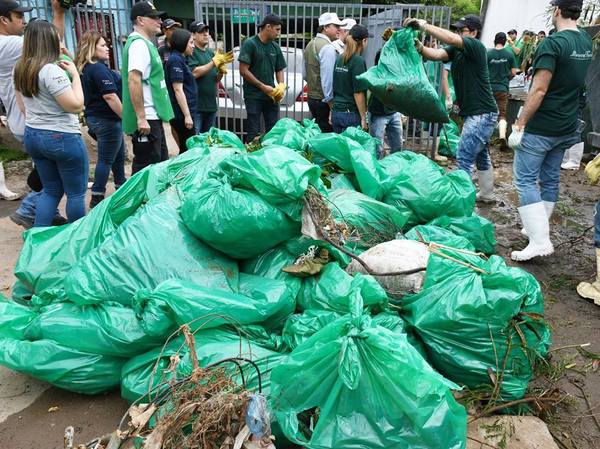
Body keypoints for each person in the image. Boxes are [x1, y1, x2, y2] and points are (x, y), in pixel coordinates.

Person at [508, 0, 592, 261]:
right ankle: (537, 228)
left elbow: (540, 89)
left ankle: (539, 240)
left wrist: (520, 123)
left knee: (524, 180)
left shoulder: (553, 44)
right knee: (550, 178)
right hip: (566, 125)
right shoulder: (585, 43)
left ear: (556, 10)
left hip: (542, 127)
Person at [404, 14, 498, 202]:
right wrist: (421, 48)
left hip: (482, 113)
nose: (458, 33)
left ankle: (461, 200)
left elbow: (451, 39)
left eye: (462, 30)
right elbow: (438, 55)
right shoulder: (457, 51)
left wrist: (425, 25)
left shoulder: (476, 47)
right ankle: (487, 194)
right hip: (479, 113)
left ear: (473, 32)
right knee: (480, 155)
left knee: (464, 154)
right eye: (457, 30)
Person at [1, 0, 68, 227]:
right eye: (18, 16)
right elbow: (52, 42)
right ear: (3, 20)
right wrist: (58, 12)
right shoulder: (8, 44)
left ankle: (45, 211)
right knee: (56, 173)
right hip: (31, 121)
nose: (23, 20)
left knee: (48, 171)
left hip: (24, 120)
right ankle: (29, 209)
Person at [13, 20, 87, 226]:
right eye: (58, 37)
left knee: (51, 190)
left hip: (33, 134)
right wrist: (75, 76)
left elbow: (22, 108)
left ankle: (40, 241)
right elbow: (74, 105)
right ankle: (79, 241)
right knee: (75, 193)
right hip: (62, 136)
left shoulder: (19, 69)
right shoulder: (50, 71)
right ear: (50, 40)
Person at [121, 1, 174, 175]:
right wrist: (141, 118)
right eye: (154, 17)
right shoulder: (138, 45)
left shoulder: (145, 43)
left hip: (152, 117)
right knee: (147, 170)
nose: (159, 21)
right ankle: (141, 202)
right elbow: (134, 79)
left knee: (158, 166)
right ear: (140, 20)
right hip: (147, 119)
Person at [75, 31, 126, 209]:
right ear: (91, 48)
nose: (108, 48)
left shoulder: (87, 68)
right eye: (103, 45)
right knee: (106, 159)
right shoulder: (97, 68)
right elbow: (110, 96)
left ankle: (122, 189)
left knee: (118, 157)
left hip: (97, 119)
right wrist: (126, 119)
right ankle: (97, 196)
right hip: (106, 120)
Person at [238, 13, 286, 142]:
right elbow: (243, 70)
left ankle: (269, 156)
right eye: (277, 29)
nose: (278, 33)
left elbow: (279, 68)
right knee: (253, 130)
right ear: (268, 27)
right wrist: (262, 87)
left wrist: (281, 85)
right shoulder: (250, 44)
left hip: (271, 96)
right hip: (253, 96)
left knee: (272, 131)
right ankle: (250, 156)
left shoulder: (275, 47)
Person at [187, 21, 230, 134]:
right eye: (201, 32)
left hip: (211, 106)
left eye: (206, 31)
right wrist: (214, 62)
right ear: (193, 35)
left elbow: (215, 79)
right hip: (197, 107)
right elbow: (194, 73)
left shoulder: (211, 53)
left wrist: (220, 71)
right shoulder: (191, 52)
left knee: (208, 141)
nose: (206, 34)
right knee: (195, 141)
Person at [303, 12, 343, 132]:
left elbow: (304, 74)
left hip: (312, 98)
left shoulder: (310, 44)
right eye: (335, 26)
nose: (339, 29)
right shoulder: (327, 48)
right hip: (324, 101)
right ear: (325, 27)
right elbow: (328, 79)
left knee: (318, 134)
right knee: (327, 137)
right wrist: (331, 104)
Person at [368, 27, 402, 158]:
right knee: (377, 148)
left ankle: (395, 169)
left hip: (394, 110)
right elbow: (382, 76)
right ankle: (378, 173)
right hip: (379, 110)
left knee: (398, 145)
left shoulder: (404, 58)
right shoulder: (382, 53)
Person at [331, 24, 370, 134]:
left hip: (337, 113)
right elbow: (358, 93)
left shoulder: (340, 58)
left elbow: (335, 85)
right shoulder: (358, 61)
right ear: (364, 41)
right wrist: (363, 118)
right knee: (351, 150)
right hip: (350, 114)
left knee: (339, 150)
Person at [165, 28, 197, 154]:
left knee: (188, 148)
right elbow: (178, 89)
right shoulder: (175, 61)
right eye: (190, 42)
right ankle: (183, 173)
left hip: (186, 112)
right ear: (182, 42)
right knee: (187, 150)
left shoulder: (181, 59)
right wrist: (187, 116)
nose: (193, 46)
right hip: (181, 114)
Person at [487, 32, 517, 147]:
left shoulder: (488, 54)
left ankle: (486, 138)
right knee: (502, 114)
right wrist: (506, 78)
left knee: (488, 113)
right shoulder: (509, 54)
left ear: (495, 40)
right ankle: (502, 136)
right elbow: (514, 72)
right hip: (503, 88)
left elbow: (483, 71)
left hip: (489, 89)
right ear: (505, 41)